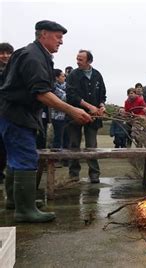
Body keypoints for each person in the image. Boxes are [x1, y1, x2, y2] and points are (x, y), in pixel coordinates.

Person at [0, 20, 92, 222]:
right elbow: (41, 93)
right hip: (17, 115)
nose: (61, 42)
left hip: (11, 113)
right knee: (25, 158)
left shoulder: (31, 53)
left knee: (15, 157)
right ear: (43, 35)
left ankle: (17, 201)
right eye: (58, 37)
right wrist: (72, 110)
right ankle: (25, 211)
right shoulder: (33, 57)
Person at [66, 49, 107, 183]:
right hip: (75, 115)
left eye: (81, 60)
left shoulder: (97, 75)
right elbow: (71, 95)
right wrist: (89, 106)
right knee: (74, 144)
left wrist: (101, 105)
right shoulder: (73, 75)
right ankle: (73, 174)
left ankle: (94, 174)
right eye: (77, 59)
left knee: (92, 145)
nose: (78, 62)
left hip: (93, 117)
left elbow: (102, 94)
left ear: (89, 61)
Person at [0, 42, 14, 183]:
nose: (5, 56)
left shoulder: (13, 70)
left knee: (5, 146)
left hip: (9, 113)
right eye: (2, 53)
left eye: (8, 53)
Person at [51, 69, 69, 152]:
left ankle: (66, 159)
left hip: (67, 115)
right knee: (58, 138)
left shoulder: (67, 86)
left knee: (67, 138)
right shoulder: (53, 88)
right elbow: (65, 97)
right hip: (57, 116)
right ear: (56, 78)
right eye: (62, 76)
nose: (64, 77)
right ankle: (56, 158)